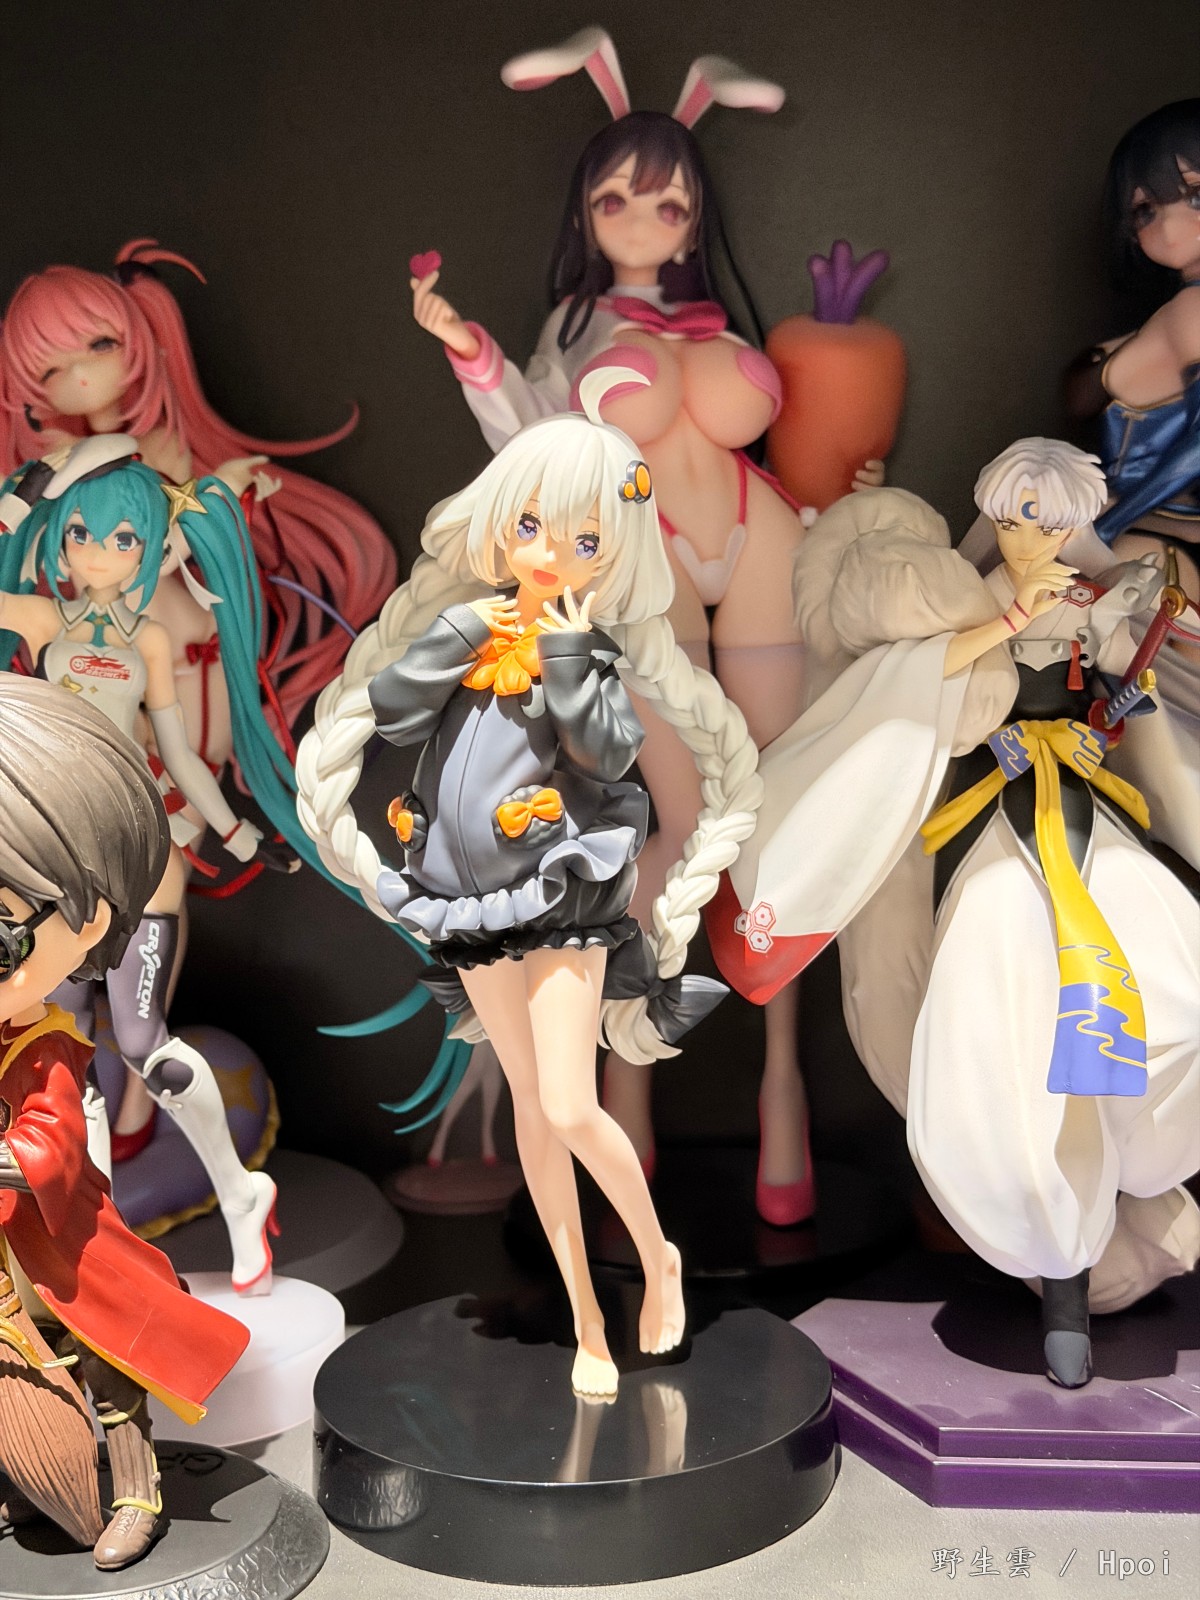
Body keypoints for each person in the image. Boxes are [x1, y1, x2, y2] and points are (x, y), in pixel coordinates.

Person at [410, 27, 889, 1222]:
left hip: (761, 543)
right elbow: (528, 436)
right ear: (586, 211)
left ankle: (784, 1085)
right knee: (673, 835)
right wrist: (471, 350)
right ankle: (630, 1075)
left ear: (693, 218)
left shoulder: (718, 318)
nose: (641, 218)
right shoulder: (576, 328)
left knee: (774, 822)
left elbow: (780, 436)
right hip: (648, 566)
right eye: (616, 197)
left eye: (666, 201)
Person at [296, 369, 763, 1394]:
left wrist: (563, 652)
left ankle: (658, 1256)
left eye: (585, 539)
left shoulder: (585, 651)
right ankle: (587, 1318)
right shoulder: (472, 627)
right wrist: (455, 639)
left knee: (568, 1100)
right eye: (534, 526)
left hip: (555, 887)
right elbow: (398, 717)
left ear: (613, 552)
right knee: (530, 1115)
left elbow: (605, 754)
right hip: (466, 892)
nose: (552, 551)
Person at [709, 441, 1199, 1387]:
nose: (1033, 539)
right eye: (1016, 520)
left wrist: (1118, 697)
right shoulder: (969, 603)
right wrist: (1001, 630)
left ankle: (1144, 1162)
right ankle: (1062, 1283)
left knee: (1168, 975)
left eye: (1052, 523)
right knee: (1007, 1036)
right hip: (992, 829)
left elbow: (1120, 686)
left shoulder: (1086, 602)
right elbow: (935, 686)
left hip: (1083, 817)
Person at [0, 675, 248, 1569]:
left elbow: (50, 1144)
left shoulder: (45, 1048)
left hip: (61, 1250)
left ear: (89, 920)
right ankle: (25, 1479)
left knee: (107, 1367)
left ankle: (137, 1493)